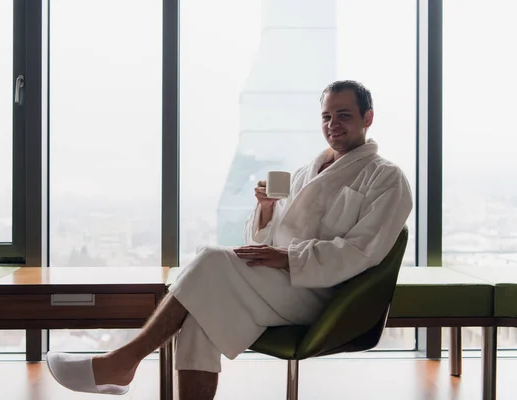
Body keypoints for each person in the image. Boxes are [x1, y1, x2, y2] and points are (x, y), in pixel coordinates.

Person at [46, 80, 413, 400]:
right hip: (282, 286)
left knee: (209, 259)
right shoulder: (305, 173)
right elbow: (270, 239)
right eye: (327, 117)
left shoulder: (386, 179)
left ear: (368, 118)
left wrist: (287, 258)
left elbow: (362, 252)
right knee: (197, 322)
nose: (333, 125)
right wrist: (268, 209)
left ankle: (123, 362)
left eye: (344, 115)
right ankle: (121, 366)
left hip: (328, 298)